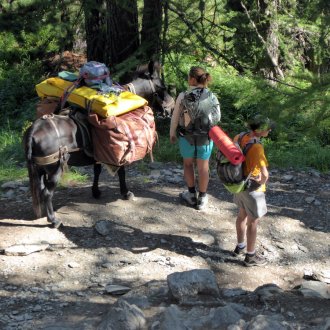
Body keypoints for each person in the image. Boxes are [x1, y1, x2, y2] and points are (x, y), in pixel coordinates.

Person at [170, 66, 221, 210]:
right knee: (203, 167)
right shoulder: (211, 95)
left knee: (187, 164)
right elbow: (217, 117)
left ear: (192, 79)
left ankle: (191, 195)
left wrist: (172, 133)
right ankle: (203, 198)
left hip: (186, 137)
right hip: (205, 138)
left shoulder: (182, 95)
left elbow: (175, 118)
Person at [232, 115, 274, 266]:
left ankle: (240, 246)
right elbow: (264, 174)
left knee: (242, 214)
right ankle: (250, 257)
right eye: (268, 128)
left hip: (238, 184)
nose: (269, 130)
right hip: (252, 188)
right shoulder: (257, 147)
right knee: (253, 221)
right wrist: (261, 183)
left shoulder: (239, 136)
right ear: (261, 130)